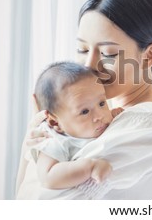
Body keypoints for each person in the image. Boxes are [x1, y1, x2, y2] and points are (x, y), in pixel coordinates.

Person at [16, 0, 152, 199]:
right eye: (82, 49)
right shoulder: (94, 121)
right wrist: (31, 143)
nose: (88, 65)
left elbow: (40, 202)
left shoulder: (149, 127)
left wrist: (39, 154)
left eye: (108, 53)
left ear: (149, 56)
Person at [31, 61, 123, 190]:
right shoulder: (54, 140)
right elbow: (48, 177)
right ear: (55, 122)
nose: (100, 116)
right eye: (84, 112)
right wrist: (90, 167)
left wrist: (113, 114)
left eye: (102, 103)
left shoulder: (98, 121)